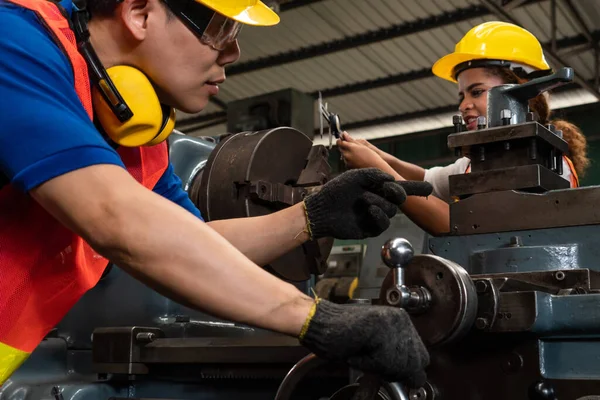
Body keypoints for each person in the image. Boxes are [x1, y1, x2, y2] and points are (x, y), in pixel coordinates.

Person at [0, 0, 433, 386]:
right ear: (139, 13)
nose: (233, 52)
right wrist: (314, 317)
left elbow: (193, 243)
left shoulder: (138, 139)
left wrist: (310, 216)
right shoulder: (13, 43)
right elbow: (116, 218)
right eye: (219, 29)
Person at [338, 21, 589, 236]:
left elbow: (458, 226)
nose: (464, 105)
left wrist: (377, 170)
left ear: (523, 92)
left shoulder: (547, 164)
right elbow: (425, 179)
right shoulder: (477, 163)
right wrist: (375, 155)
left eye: (477, 92)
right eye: (462, 95)